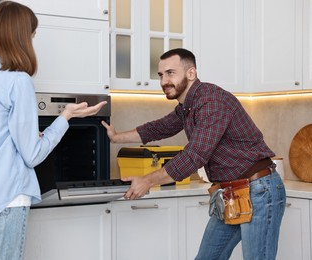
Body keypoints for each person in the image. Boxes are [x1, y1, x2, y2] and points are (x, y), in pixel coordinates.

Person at [0, 2, 107, 259]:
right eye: (32, 36)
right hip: (1, 203)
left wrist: (32, 136)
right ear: (22, 37)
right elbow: (32, 155)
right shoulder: (17, 80)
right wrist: (65, 117)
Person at [102, 48, 286, 260]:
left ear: (191, 74)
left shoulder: (211, 101)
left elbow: (194, 156)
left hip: (259, 190)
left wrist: (147, 180)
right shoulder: (187, 106)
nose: (164, 81)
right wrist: (117, 137)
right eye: (161, 75)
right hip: (232, 194)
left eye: (171, 73)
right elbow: (159, 128)